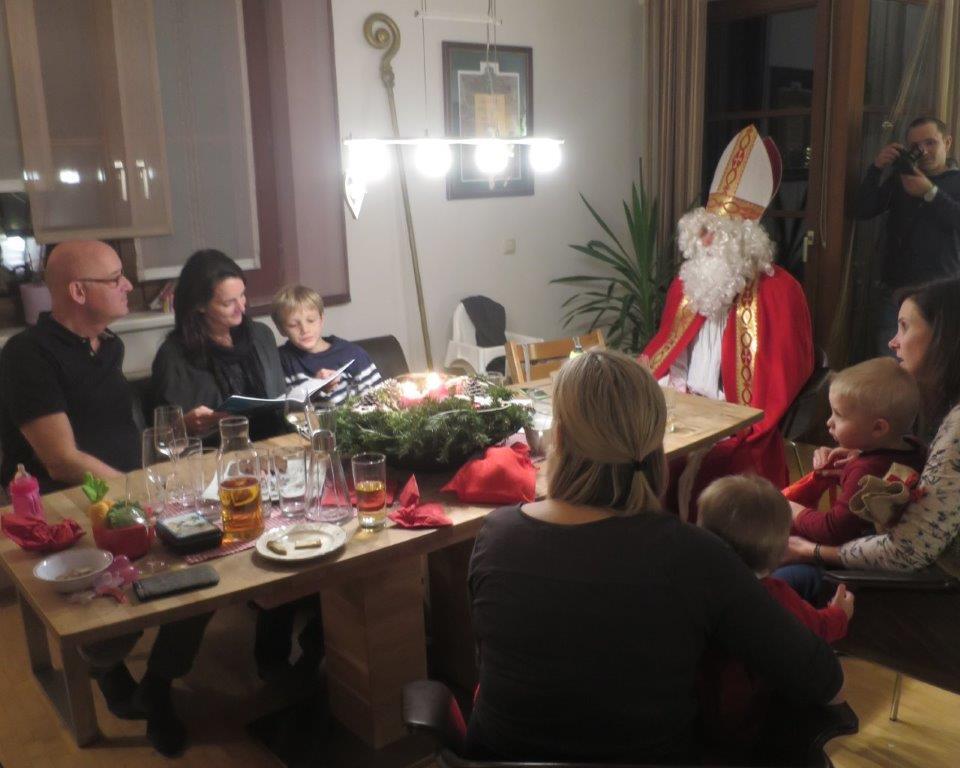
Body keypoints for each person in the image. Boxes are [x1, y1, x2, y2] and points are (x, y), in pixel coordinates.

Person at [466, 349, 843, 764]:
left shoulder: (496, 535)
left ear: (560, 437)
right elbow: (821, 679)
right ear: (654, 439)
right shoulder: (695, 556)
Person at [0, 240, 209, 757]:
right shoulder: (28, 355)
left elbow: (114, 426)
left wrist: (171, 439)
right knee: (109, 629)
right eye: (115, 278)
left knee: (206, 567)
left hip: (127, 491)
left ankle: (157, 687)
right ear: (78, 291)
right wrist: (135, 495)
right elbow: (62, 461)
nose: (127, 285)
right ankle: (108, 671)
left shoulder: (106, 344)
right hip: (67, 507)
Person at [642, 124, 814, 521]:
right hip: (686, 410)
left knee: (711, 463)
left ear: (742, 240)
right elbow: (669, 353)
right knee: (637, 449)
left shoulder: (780, 291)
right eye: (700, 232)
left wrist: (725, 416)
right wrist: (668, 390)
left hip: (739, 424)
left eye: (713, 234)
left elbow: (784, 375)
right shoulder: (689, 284)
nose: (703, 242)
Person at [787, 276, 960, 576]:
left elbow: (907, 551)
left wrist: (810, 550)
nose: (893, 342)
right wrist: (870, 457)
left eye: (904, 327)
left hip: (937, 584)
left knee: (788, 579)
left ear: (944, 336)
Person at [697, 475, 853, 760]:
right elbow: (815, 629)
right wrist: (839, 614)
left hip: (693, 709)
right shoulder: (773, 597)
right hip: (738, 722)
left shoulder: (692, 582)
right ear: (781, 552)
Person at [789, 357, 927, 546]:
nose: (829, 422)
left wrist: (793, 510)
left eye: (839, 415)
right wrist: (856, 459)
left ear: (878, 428)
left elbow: (831, 530)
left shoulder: (865, 473)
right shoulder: (915, 448)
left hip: (854, 556)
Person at [151, 249, 286, 441]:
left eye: (242, 295)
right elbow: (162, 435)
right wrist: (184, 426)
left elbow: (280, 400)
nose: (241, 307)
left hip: (274, 445)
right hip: (215, 453)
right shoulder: (174, 357)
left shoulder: (261, 335)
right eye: (228, 303)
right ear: (200, 305)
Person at [854, 116, 960, 355]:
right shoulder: (900, 179)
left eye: (931, 142)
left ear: (947, 142)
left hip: (943, 295)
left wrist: (930, 193)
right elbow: (862, 210)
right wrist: (876, 169)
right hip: (897, 293)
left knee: (939, 366)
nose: (924, 151)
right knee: (892, 365)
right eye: (916, 146)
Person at [271, 284, 382, 406]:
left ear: (321, 320)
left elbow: (379, 402)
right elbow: (282, 410)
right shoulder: (279, 361)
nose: (305, 329)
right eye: (293, 325)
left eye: (311, 320)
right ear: (281, 329)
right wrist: (315, 387)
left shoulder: (354, 355)